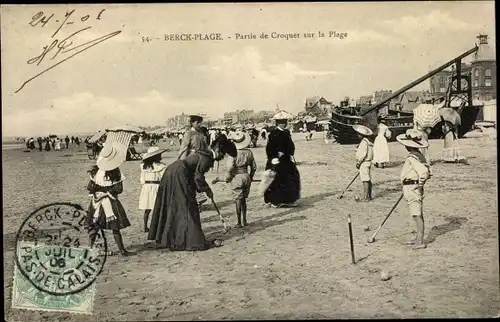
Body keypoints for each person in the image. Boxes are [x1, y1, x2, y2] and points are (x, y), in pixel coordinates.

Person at [147, 136, 237, 251]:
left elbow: (195, 175)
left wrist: (202, 189)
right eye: (223, 155)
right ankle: (189, 241)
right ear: (218, 150)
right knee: (186, 207)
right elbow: (198, 177)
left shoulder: (205, 154)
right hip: (179, 174)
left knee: (179, 205)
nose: (222, 158)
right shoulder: (207, 157)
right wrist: (207, 190)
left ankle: (176, 239)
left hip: (173, 171)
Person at [86, 144, 135, 257]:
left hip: (96, 201)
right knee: (115, 226)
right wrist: (108, 191)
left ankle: (89, 249)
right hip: (111, 201)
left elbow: (90, 187)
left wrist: (99, 191)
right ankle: (122, 250)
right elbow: (119, 189)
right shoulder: (115, 172)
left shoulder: (95, 172)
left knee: (94, 224)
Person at [212, 132, 257, 228]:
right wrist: (251, 177)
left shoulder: (233, 153)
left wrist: (221, 179)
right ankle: (245, 220)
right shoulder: (249, 152)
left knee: (238, 200)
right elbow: (254, 167)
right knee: (244, 199)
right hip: (246, 176)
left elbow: (229, 169)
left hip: (237, 177)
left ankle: (239, 222)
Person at [396, 129, 431, 250]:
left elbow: (425, 172)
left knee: (417, 215)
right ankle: (418, 238)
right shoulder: (419, 156)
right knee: (416, 213)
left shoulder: (413, 158)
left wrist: (419, 185)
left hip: (413, 187)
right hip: (410, 187)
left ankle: (420, 241)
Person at [264, 114, 301, 207]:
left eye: (285, 122)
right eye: (281, 122)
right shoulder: (273, 133)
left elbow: (291, 146)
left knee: (292, 178)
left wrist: (288, 152)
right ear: (277, 123)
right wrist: (276, 154)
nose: (284, 124)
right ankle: (274, 201)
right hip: (276, 161)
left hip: (286, 160)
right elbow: (269, 148)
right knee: (276, 180)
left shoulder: (287, 133)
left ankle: (288, 200)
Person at [178, 115, 211, 207]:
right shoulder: (188, 133)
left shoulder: (201, 133)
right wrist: (182, 162)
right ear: (192, 123)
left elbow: (206, 147)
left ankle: (199, 202)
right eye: (197, 122)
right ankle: (192, 202)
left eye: (200, 122)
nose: (199, 124)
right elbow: (184, 148)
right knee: (191, 180)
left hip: (201, 161)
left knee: (199, 178)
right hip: (191, 159)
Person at [138, 147, 167, 232]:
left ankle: (145, 226)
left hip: (146, 187)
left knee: (147, 208)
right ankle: (158, 226)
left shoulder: (144, 166)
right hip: (157, 187)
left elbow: (142, 180)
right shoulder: (161, 166)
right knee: (158, 207)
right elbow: (163, 178)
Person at [353, 124, 374, 202]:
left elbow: (363, 154)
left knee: (365, 180)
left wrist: (359, 162)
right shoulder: (369, 142)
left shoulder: (364, 142)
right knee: (368, 179)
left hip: (364, 162)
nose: (358, 135)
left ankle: (365, 197)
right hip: (368, 162)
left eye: (358, 134)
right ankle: (369, 196)